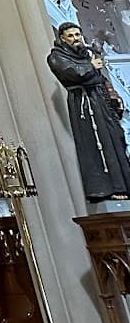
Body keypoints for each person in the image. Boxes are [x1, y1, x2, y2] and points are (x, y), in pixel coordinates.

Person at [47, 22, 130, 201]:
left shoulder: (86, 54)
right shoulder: (57, 57)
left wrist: (111, 95)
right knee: (98, 143)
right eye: (71, 36)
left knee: (115, 138)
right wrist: (91, 67)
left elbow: (97, 78)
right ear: (62, 38)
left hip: (99, 100)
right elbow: (73, 74)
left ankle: (124, 184)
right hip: (84, 105)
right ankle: (107, 188)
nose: (76, 39)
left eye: (78, 35)